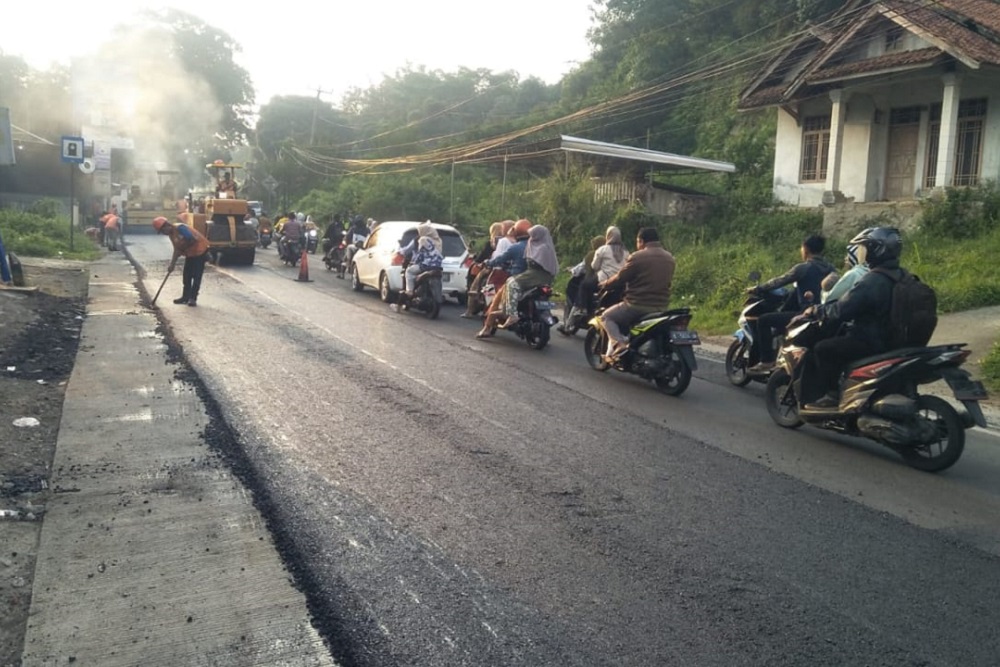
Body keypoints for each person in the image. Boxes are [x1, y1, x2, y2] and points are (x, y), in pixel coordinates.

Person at [801, 227, 902, 409]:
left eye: (865, 248)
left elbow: (841, 309)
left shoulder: (872, 280)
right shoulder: (902, 275)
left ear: (875, 250)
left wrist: (817, 311)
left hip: (871, 340)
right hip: (894, 340)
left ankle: (831, 396)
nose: (863, 253)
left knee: (823, 348)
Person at [747, 234, 834, 373]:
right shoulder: (831, 269)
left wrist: (758, 288)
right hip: (823, 313)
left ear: (805, 249)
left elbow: (779, 281)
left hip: (805, 313)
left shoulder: (803, 268)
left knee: (763, 320)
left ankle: (766, 361)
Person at [597, 227, 675, 359]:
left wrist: (605, 284)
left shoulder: (637, 257)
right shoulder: (670, 258)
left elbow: (620, 278)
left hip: (637, 305)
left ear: (641, 241)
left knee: (606, 317)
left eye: (638, 242)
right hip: (661, 307)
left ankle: (619, 344)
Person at [480, 223, 558, 335]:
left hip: (526, 276)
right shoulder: (545, 246)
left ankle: (505, 317)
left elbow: (499, 258)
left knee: (505, 289)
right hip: (546, 279)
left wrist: (488, 263)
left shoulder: (529, 246)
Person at [476, 219, 530, 337]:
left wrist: (488, 263)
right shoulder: (534, 245)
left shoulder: (508, 243)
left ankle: (487, 326)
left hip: (503, 273)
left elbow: (498, 258)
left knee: (493, 298)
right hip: (530, 279)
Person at [153, 216, 210, 306]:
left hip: (200, 252)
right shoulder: (172, 235)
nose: (163, 233)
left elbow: (191, 240)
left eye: (162, 231)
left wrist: (182, 249)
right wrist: (172, 265)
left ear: (166, 226)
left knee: (196, 276)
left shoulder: (180, 228)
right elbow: (176, 250)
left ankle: (193, 298)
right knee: (186, 276)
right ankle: (185, 297)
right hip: (190, 254)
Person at [390, 222, 444, 312]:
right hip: (438, 266)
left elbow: (420, 254)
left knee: (409, 271)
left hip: (426, 265)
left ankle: (410, 291)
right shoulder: (438, 240)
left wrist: (413, 262)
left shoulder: (422, 239)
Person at [462, 222, 506, 318]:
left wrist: (478, 260)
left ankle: (469, 310)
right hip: (505, 269)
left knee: (477, 285)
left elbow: (482, 256)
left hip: (491, 267)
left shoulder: (492, 242)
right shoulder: (508, 241)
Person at [561, 234, 605, 331]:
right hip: (604, 284)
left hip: (591, 283)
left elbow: (581, 268)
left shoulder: (592, 254)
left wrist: (572, 270)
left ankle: (567, 326)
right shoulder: (610, 253)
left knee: (578, 299)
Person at [821, 233, 871, 304]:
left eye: (848, 256)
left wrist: (824, 291)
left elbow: (830, 297)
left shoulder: (853, 274)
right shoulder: (870, 272)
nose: (845, 259)